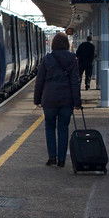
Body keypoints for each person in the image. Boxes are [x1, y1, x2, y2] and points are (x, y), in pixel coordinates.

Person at [34, 32, 82, 168]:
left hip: (49, 99)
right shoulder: (73, 59)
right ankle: (62, 159)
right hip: (66, 100)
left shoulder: (47, 59)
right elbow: (75, 82)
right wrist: (77, 102)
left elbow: (40, 81)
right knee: (63, 128)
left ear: (53, 44)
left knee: (49, 127)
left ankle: (52, 157)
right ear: (67, 44)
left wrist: (37, 99)